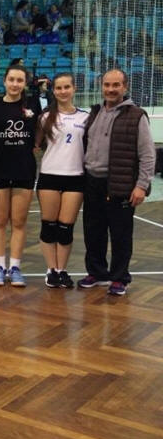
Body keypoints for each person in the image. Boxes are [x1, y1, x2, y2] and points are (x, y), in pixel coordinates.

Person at [78, 69, 155, 296]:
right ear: (102, 86)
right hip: (92, 183)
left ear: (125, 87)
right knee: (93, 231)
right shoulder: (94, 112)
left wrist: (141, 185)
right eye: (107, 85)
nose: (110, 89)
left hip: (120, 185)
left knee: (120, 234)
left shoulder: (137, 115)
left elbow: (148, 154)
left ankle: (120, 277)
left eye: (116, 85)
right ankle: (97, 273)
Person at [0, 65, 39, 287]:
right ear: (4, 81)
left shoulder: (33, 105)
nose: (15, 84)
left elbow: (38, 133)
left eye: (19, 80)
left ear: (25, 83)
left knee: (19, 221)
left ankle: (15, 268)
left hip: (24, 169)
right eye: (11, 79)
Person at [35, 73, 89, 289]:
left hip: (75, 177)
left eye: (67, 87)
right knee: (49, 226)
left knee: (66, 228)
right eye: (59, 88)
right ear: (54, 91)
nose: (63, 91)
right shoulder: (45, 117)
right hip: (49, 175)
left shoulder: (85, 117)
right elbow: (35, 145)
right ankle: (51, 270)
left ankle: (62, 269)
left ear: (74, 89)